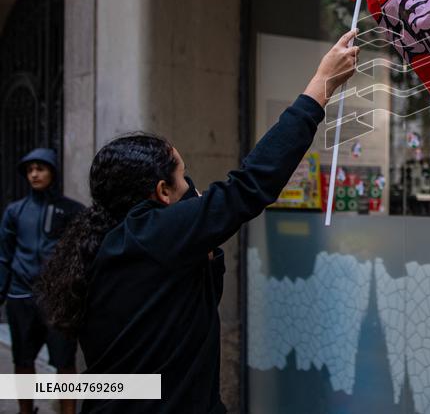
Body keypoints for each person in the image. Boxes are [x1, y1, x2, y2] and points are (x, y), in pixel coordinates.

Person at [36, 29, 359, 413]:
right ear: (162, 192)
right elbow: (251, 185)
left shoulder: (110, 241)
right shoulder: (155, 234)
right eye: (183, 178)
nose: (192, 187)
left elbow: (179, 321)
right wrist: (319, 88)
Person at [0, 147, 83, 414]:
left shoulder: (71, 210)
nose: (34, 174)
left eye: (40, 168)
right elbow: (4, 255)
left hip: (57, 299)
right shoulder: (15, 211)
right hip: (21, 296)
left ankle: (68, 410)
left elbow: (82, 252)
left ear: (53, 172)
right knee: (22, 359)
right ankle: (26, 410)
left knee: (64, 360)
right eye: (29, 170)